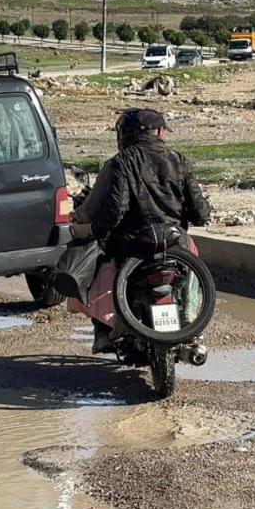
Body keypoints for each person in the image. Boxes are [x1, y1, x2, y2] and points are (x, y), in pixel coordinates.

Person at [76, 108, 213, 353]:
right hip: (174, 243)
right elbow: (200, 213)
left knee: (100, 266)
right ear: (159, 132)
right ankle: (191, 317)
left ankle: (103, 329)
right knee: (193, 257)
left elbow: (115, 210)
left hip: (131, 244)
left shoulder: (121, 162)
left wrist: (96, 232)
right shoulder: (179, 161)